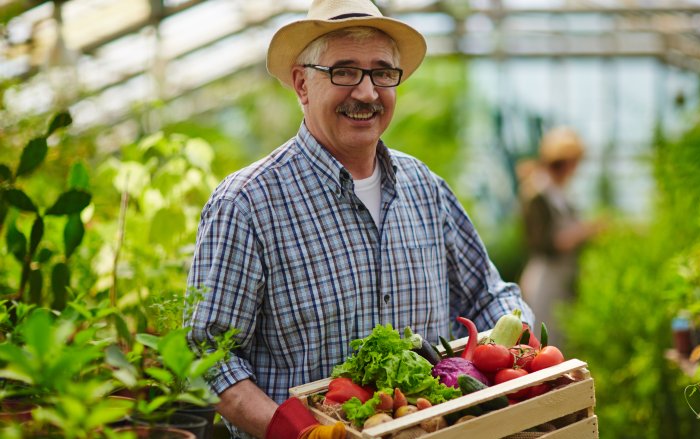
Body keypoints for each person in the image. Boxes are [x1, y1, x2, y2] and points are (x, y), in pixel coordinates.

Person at [184, 0, 535, 437]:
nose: (367, 93)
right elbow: (206, 353)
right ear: (302, 84)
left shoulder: (424, 188)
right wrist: (295, 431)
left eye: (382, 73)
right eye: (344, 71)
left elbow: (489, 296)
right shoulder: (247, 204)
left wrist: (525, 354)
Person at [517, 127, 602, 347]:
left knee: (562, 338)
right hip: (546, 278)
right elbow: (540, 241)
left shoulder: (559, 192)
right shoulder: (537, 194)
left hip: (562, 276)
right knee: (547, 341)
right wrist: (581, 233)